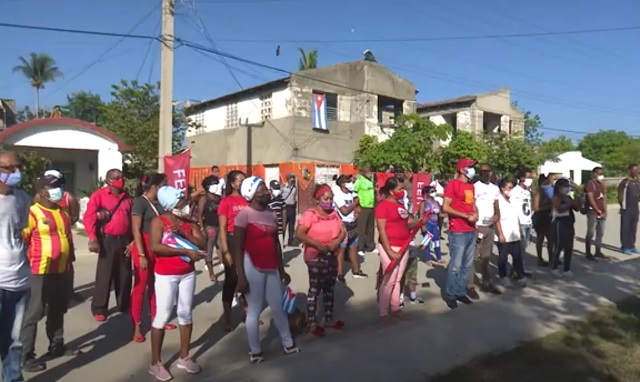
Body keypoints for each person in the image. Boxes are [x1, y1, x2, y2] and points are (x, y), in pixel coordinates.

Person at [234, 176, 299, 363]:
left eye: (265, 189)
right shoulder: (243, 215)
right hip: (251, 266)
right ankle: (255, 350)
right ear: (252, 194)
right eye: (261, 189)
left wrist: (282, 269)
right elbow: (237, 248)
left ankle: (288, 343)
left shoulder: (271, 214)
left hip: (271, 267)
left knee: (278, 307)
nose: (266, 192)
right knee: (254, 310)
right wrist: (241, 277)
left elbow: (276, 243)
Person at [21, 175, 80, 372]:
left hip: (61, 270)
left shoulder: (62, 212)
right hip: (39, 270)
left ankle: (57, 345)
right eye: (54, 187)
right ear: (41, 191)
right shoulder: (32, 213)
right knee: (34, 313)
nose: (59, 190)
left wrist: (69, 263)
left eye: (60, 186)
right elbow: (22, 240)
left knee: (57, 308)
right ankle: (26, 356)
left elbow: (67, 239)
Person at [148, 186, 206, 380]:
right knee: (162, 316)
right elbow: (155, 247)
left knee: (185, 314)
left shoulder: (188, 221)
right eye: (181, 202)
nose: (186, 204)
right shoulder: (159, 222)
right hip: (166, 275)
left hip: (187, 273)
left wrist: (184, 234)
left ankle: (184, 357)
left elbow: (202, 243)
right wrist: (184, 252)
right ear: (171, 205)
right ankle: (155, 363)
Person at [130, 173, 177, 343]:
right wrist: (141, 255)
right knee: (140, 287)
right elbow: (136, 229)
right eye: (163, 185)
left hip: (158, 245)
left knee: (156, 285)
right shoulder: (140, 202)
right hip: (143, 247)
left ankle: (157, 320)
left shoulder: (161, 202)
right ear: (155, 186)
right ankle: (137, 325)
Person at [83, 169, 132, 322]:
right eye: (116, 178)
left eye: (121, 177)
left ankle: (123, 304)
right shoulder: (99, 195)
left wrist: (133, 241)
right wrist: (93, 238)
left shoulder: (127, 197)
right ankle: (99, 308)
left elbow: (132, 217)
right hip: (107, 240)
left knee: (124, 274)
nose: (120, 180)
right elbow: (89, 217)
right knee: (105, 275)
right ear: (108, 180)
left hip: (125, 239)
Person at [297, 184, 347, 336]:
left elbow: (343, 231)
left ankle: (328, 319)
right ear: (318, 199)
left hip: (332, 254)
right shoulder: (310, 215)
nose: (329, 201)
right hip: (316, 256)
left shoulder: (334, 214)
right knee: (315, 289)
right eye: (326, 198)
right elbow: (299, 233)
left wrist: (337, 242)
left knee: (329, 288)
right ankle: (312, 322)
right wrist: (317, 244)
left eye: (331, 198)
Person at [0, 151, 31, 382]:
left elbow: (19, 230)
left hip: (20, 278)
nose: (14, 172)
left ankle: (13, 378)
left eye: (17, 167)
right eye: (8, 168)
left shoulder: (22, 198)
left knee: (14, 340)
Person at [375, 177, 420, 322]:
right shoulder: (382, 206)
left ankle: (395, 308)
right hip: (390, 247)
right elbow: (381, 230)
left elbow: (407, 225)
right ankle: (383, 312)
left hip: (403, 246)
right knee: (388, 280)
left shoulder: (401, 206)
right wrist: (389, 251)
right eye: (399, 189)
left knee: (397, 279)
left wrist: (419, 222)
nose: (402, 192)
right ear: (391, 191)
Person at [442, 158, 479, 310]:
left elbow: (472, 204)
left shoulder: (470, 186)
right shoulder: (452, 185)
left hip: (471, 229)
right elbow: (446, 207)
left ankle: (460, 291)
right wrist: (465, 216)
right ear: (462, 169)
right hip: (458, 230)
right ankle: (450, 294)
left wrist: (476, 214)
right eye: (470, 167)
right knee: (456, 265)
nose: (472, 170)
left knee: (466, 265)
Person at [41, 169, 82, 303]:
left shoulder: (69, 198)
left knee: (68, 265)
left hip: (64, 237)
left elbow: (75, 216)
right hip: (44, 238)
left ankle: (69, 291)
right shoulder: (39, 197)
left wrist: (62, 223)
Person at [218, 170, 248, 331]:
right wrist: (225, 250)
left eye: (244, 180)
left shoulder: (248, 200)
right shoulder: (226, 202)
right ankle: (227, 317)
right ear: (232, 184)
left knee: (248, 277)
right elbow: (222, 228)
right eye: (239, 180)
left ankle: (247, 313)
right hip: (231, 239)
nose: (242, 183)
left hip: (247, 241)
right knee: (232, 279)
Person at [467, 164, 501, 298]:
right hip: (477, 225)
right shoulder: (474, 187)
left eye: (488, 171)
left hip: (489, 226)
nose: (485, 174)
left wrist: (497, 215)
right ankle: (469, 285)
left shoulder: (495, 188)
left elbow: (496, 204)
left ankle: (487, 282)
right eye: (483, 171)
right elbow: (470, 203)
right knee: (474, 257)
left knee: (486, 257)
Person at [332, 174, 366, 281]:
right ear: (342, 184)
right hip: (343, 224)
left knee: (353, 247)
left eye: (350, 180)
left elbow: (358, 205)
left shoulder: (352, 194)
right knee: (341, 249)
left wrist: (357, 207)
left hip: (353, 223)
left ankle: (356, 270)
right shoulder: (338, 195)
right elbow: (344, 211)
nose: (350, 182)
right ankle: (340, 273)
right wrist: (355, 204)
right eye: (348, 181)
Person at [494, 178, 526, 288]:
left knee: (518, 256)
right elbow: (497, 219)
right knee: (503, 257)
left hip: (514, 233)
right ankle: (503, 277)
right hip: (504, 233)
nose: (511, 190)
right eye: (509, 188)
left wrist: (520, 229)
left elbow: (516, 216)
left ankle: (521, 276)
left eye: (512, 188)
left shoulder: (512, 200)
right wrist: (500, 234)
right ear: (502, 189)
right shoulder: (498, 201)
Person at [551, 178, 580, 276]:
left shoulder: (568, 197)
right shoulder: (556, 197)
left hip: (569, 222)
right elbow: (559, 209)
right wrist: (570, 203)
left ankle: (567, 268)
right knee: (559, 245)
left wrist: (578, 194)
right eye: (565, 187)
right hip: (559, 222)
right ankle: (554, 267)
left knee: (569, 246)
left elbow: (577, 208)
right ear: (559, 188)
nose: (567, 189)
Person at [197, 175, 224, 282]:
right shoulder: (204, 199)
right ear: (208, 186)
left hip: (220, 226)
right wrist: (202, 229)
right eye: (214, 184)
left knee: (221, 247)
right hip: (209, 227)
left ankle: (224, 265)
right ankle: (211, 273)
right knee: (209, 250)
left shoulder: (219, 198)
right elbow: (199, 214)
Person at [510, 169, 534, 276]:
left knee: (524, 248)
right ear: (522, 178)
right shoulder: (515, 192)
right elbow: (513, 209)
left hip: (528, 222)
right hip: (521, 223)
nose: (530, 180)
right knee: (519, 250)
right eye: (528, 177)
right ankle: (516, 271)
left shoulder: (528, 191)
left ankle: (519, 269)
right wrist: (517, 224)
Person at [532, 173, 556, 266]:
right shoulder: (538, 193)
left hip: (549, 217)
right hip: (540, 217)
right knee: (540, 238)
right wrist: (550, 206)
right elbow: (536, 208)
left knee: (550, 239)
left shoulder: (551, 191)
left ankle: (551, 257)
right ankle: (540, 259)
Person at [585, 167, 607, 260]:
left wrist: (605, 210)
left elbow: (605, 197)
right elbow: (590, 198)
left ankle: (598, 251)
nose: (600, 175)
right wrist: (598, 210)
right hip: (593, 212)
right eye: (598, 173)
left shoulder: (602, 184)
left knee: (600, 233)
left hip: (602, 212)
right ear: (594, 173)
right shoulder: (590, 184)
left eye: (602, 173)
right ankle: (588, 253)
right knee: (591, 233)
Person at [418, 186, 443, 264]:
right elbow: (421, 215)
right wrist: (422, 225)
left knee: (437, 241)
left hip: (435, 225)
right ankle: (428, 259)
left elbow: (440, 214)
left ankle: (439, 258)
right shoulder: (424, 202)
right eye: (432, 191)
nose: (434, 192)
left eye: (435, 191)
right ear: (427, 193)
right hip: (427, 224)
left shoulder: (437, 203)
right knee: (427, 242)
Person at [354, 166, 376, 254]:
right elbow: (354, 193)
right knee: (361, 228)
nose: (370, 173)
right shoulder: (359, 181)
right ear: (364, 172)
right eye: (368, 172)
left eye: (371, 171)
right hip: (363, 207)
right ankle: (360, 247)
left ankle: (370, 246)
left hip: (371, 206)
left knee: (370, 228)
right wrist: (357, 205)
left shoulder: (370, 181)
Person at [618, 164, 639, 255]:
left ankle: (632, 246)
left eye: (637, 170)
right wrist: (622, 206)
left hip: (635, 208)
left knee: (633, 228)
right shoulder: (625, 182)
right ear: (629, 170)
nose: (636, 171)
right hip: (626, 208)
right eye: (634, 170)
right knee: (625, 228)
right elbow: (620, 195)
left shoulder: (637, 182)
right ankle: (625, 246)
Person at [281, 173, 298, 247]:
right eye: (291, 178)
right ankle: (282, 241)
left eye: (293, 178)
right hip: (285, 208)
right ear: (288, 179)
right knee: (283, 226)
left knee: (291, 226)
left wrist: (295, 207)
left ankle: (290, 241)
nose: (293, 180)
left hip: (292, 208)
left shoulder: (295, 188)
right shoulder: (283, 187)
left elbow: (295, 198)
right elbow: (279, 196)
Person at [267, 180, 286, 244]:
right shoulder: (267, 199)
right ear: (270, 188)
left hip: (279, 228)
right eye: (275, 189)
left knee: (279, 246)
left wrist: (284, 225)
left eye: (278, 188)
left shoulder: (281, 198)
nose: (277, 190)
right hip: (269, 227)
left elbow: (284, 211)